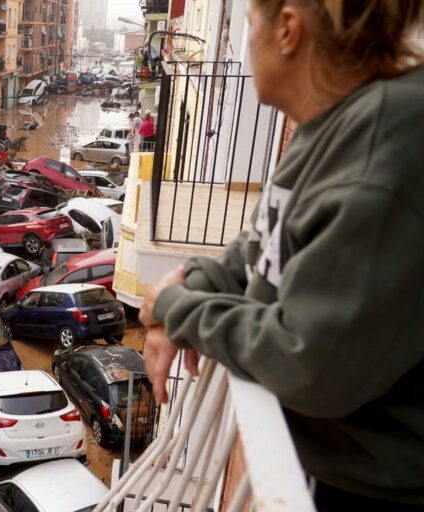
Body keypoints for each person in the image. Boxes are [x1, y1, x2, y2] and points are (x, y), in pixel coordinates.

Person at [138, 0, 424, 510]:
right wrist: (193, 285)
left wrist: (174, 308)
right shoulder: (332, 125)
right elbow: (260, 246)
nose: (247, 44)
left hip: (372, 490)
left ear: (288, 30)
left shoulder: (384, 142)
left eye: (250, 25)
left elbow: (309, 363)